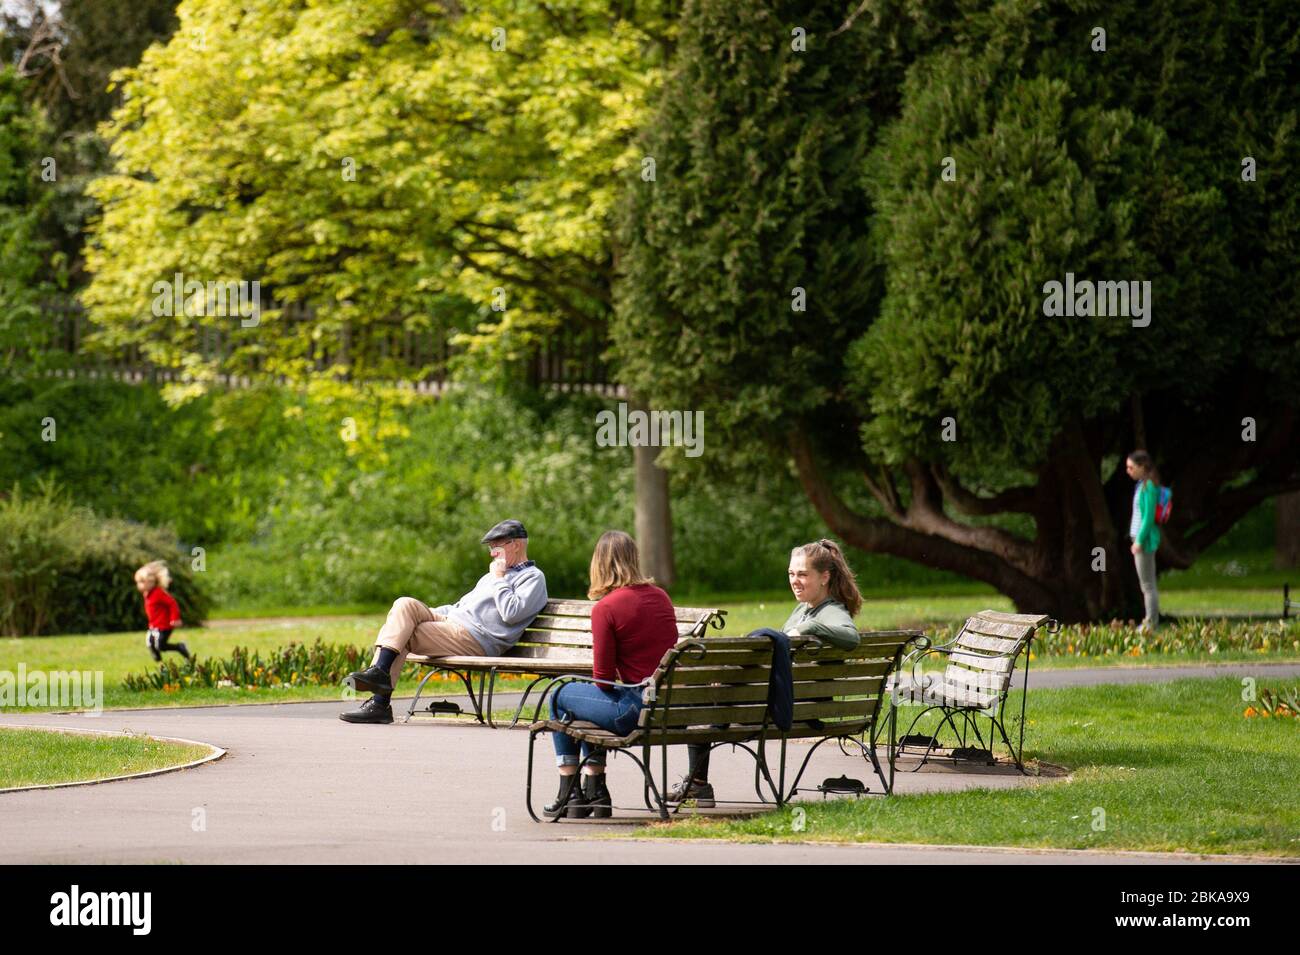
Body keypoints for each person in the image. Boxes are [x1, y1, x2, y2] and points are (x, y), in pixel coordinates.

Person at [668, 538, 863, 807]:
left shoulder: (831, 612)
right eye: (791, 574)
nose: (795, 580)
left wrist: (810, 628)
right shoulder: (804, 609)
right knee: (707, 691)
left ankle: (697, 784)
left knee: (703, 696)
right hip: (792, 701)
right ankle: (697, 783)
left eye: (803, 574)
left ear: (825, 577)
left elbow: (851, 637)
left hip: (790, 707)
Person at [340, 519, 548, 724]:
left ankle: (379, 702)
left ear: (517, 544)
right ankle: (379, 676)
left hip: (476, 638)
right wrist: (425, 613)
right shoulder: (493, 575)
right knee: (404, 605)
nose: (493, 553)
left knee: (405, 634)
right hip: (453, 623)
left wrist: (499, 579)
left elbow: (511, 613)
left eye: (497, 546)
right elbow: (462, 607)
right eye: (491, 548)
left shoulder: (532, 578)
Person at [543, 530, 679, 819]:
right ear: (634, 560)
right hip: (668, 707)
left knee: (559, 695)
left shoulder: (606, 608)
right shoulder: (661, 597)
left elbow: (603, 677)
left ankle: (571, 792)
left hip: (633, 710)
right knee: (588, 703)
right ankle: (595, 790)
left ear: (600, 564)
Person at [1126, 450, 1161, 631]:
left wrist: (1138, 541)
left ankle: (1150, 623)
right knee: (1146, 585)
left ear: (1142, 467)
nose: (1128, 470)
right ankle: (1149, 621)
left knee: (1147, 585)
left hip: (1144, 541)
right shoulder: (1142, 485)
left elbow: (1148, 518)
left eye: (1131, 467)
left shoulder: (1149, 487)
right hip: (1139, 538)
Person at [134, 560, 193, 663]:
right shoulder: (147, 594)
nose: (139, 585)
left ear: (151, 582)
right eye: (138, 582)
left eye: (142, 582)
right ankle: (159, 662)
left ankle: (180, 647)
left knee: (160, 645)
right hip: (154, 625)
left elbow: (172, 603)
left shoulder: (158, 593)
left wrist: (175, 618)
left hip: (164, 626)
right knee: (150, 642)